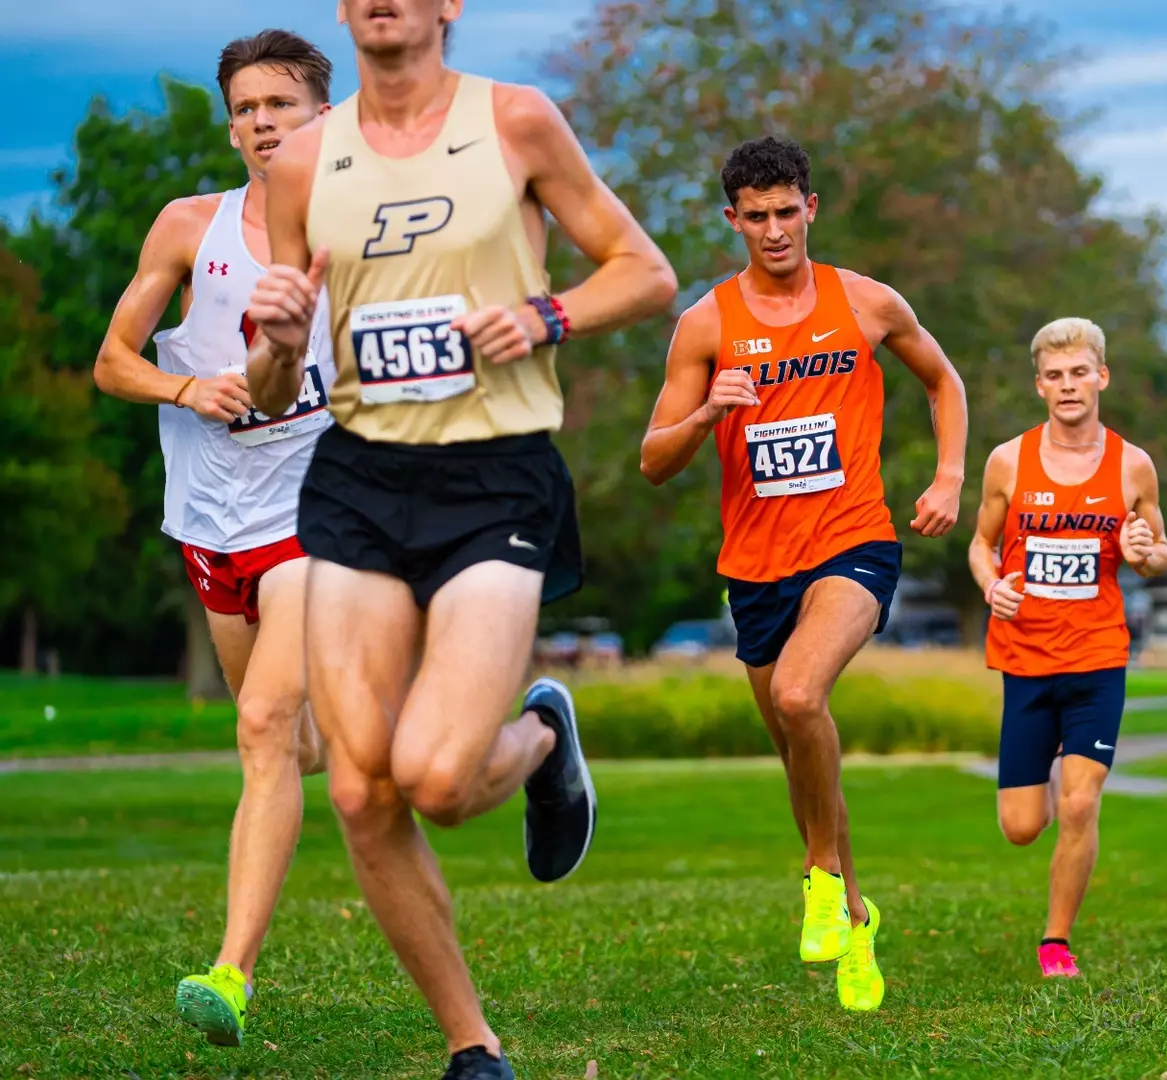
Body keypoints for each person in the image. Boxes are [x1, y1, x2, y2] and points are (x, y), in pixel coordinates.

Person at [243, 2, 678, 1075]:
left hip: (494, 473)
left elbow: (647, 270)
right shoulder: (301, 162)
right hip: (358, 474)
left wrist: (548, 316)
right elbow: (268, 378)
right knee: (357, 787)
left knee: (437, 777)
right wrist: (280, 343)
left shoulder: (518, 122)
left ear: (450, 6)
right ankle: (471, 1046)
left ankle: (538, 736)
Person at [640, 136, 967, 1012]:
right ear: (732, 220)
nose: (775, 229)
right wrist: (709, 411)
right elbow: (652, 459)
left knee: (796, 695)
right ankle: (854, 918)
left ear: (811, 208)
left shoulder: (866, 302)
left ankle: (822, 879)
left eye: (788, 211)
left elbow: (943, 381)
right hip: (755, 566)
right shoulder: (706, 324)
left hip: (855, 540)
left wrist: (947, 476)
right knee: (801, 753)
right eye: (757, 216)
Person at [93, 29, 335, 1048]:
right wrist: (184, 384)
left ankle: (231, 972)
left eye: (281, 103)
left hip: (314, 520)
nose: (261, 122)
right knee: (308, 748)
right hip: (209, 524)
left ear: (325, 112)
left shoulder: (369, 234)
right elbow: (110, 360)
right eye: (245, 107)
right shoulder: (191, 226)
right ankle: (522, 735)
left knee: (261, 731)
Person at [969, 317, 1167, 978]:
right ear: (1039, 386)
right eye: (1054, 376)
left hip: (1096, 657)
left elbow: (1158, 550)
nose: (1068, 386)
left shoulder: (1131, 464)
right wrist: (991, 583)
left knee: (1081, 803)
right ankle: (1050, 764)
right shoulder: (1008, 461)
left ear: (1101, 376)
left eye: (1079, 372)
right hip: (1026, 661)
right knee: (1023, 826)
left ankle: (1056, 941)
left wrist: (1146, 552)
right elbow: (981, 545)